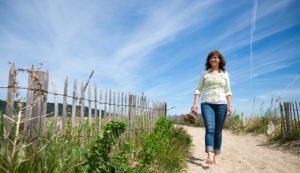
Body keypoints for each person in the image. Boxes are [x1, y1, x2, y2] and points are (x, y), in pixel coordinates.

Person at [191, 50, 232, 165]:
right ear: (209, 61)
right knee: (210, 128)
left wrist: (230, 106)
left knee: (218, 132)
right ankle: (209, 154)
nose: (212, 59)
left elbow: (228, 91)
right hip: (207, 103)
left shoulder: (225, 74)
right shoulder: (205, 73)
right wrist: (195, 103)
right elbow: (198, 89)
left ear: (219, 60)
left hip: (222, 104)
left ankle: (216, 155)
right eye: (211, 58)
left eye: (215, 57)